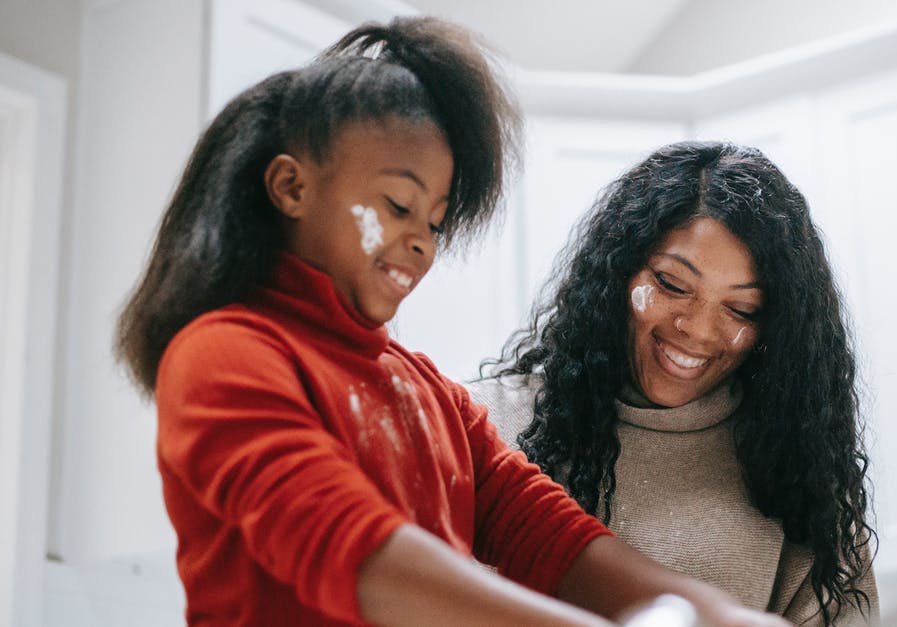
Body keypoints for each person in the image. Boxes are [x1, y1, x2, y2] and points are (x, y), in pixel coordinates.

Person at [114, 18, 790, 627]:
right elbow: (354, 552)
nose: (421, 241)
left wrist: (722, 616)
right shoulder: (223, 354)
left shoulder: (428, 392)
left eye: (435, 220)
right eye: (398, 204)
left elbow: (553, 539)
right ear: (291, 186)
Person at [470, 141, 880, 625]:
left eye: (741, 309)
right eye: (672, 284)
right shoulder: (481, 427)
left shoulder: (798, 472)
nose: (697, 328)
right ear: (618, 270)